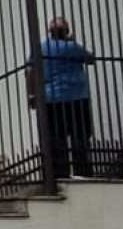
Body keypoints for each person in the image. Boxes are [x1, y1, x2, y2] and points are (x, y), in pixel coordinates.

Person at [40, 16, 96, 178]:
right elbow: (91, 59)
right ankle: (83, 172)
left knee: (57, 138)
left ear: (50, 32)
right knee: (80, 136)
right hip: (77, 97)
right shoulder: (72, 47)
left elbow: (31, 69)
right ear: (66, 31)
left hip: (52, 98)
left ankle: (59, 174)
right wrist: (72, 42)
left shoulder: (42, 47)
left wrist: (32, 95)